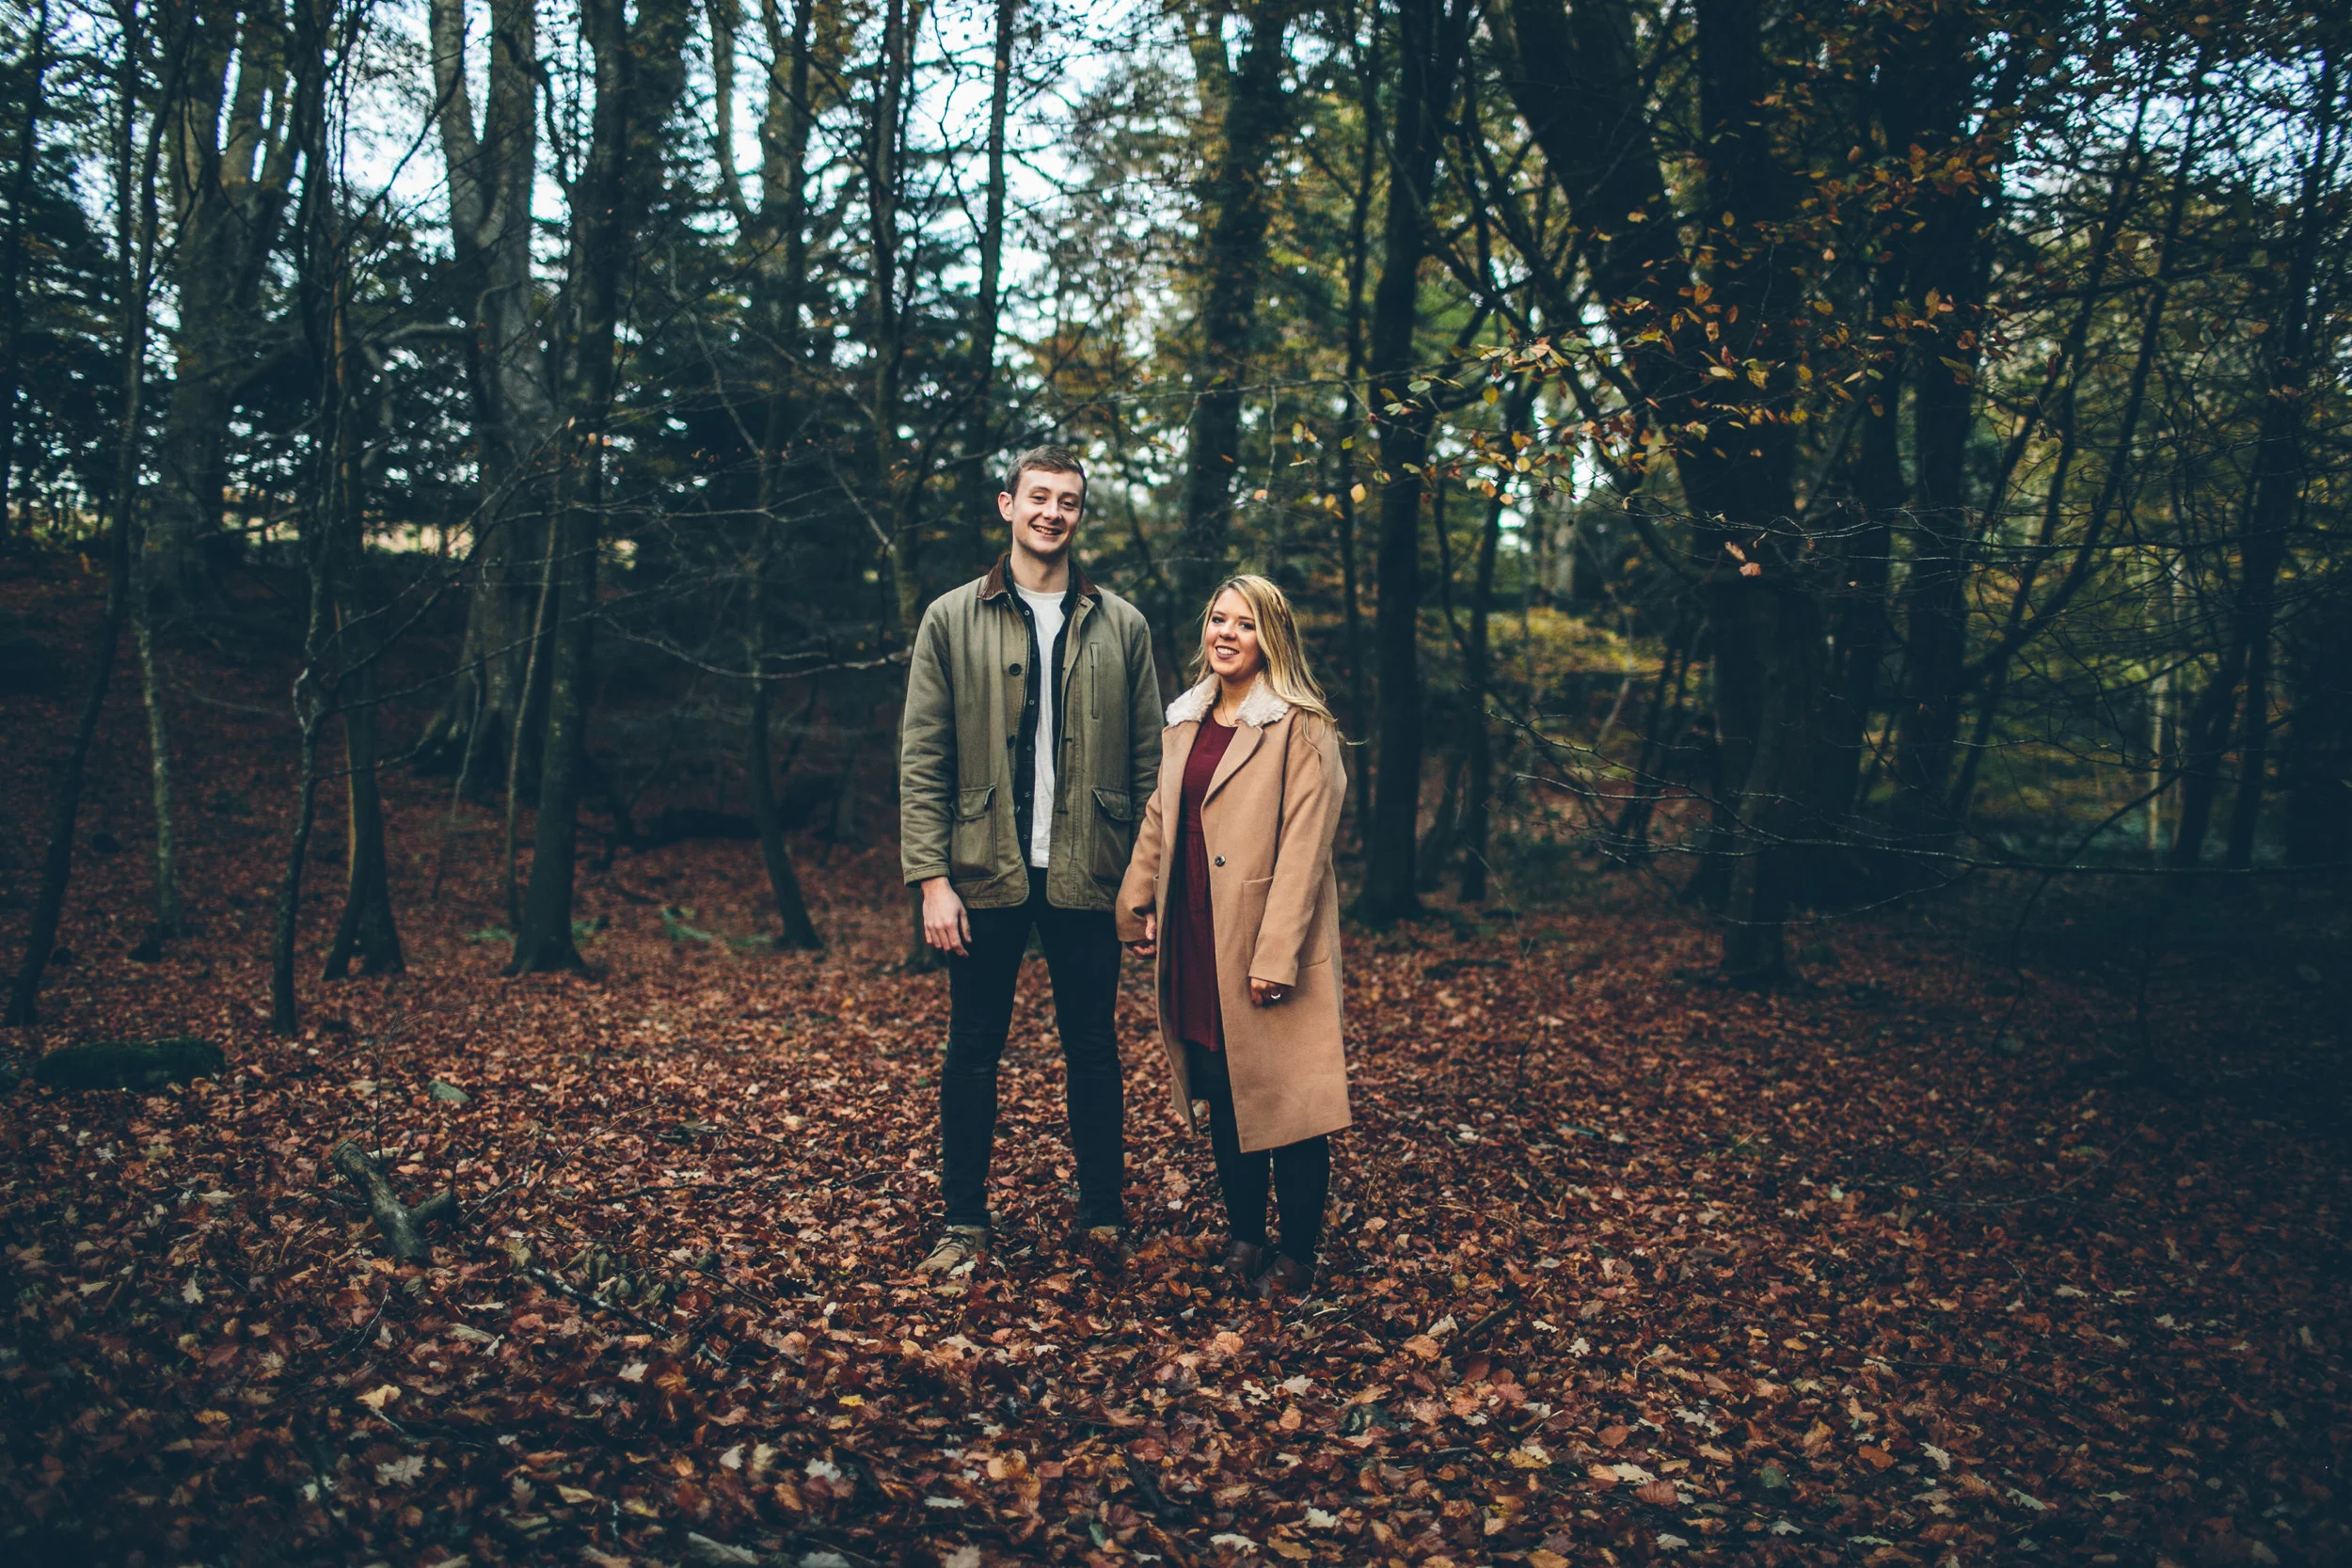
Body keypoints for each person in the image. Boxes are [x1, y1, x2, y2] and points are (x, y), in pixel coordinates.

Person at [898, 445, 1163, 1275]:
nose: (1054, 512)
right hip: (984, 867)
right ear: (1007, 505)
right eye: (1039, 497)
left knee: (1093, 1046)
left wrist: (1148, 881)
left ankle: (1103, 1217)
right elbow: (922, 754)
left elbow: (1154, 761)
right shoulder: (950, 616)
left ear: (1081, 515)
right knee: (973, 1044)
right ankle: (964, 1222)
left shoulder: (1122, 624)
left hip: (1091, 866)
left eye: (1069, 501)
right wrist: (931, 878)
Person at [1116, 575, 1350, 1303]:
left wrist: (1275, 955)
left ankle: (1299, 1254)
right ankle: (1246, 1232)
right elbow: (1161, 813)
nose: (1225, 633)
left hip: (1265, 941)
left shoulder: (1303, 727)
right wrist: (1137, 896)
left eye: (1243, 625)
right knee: (1224, 1089)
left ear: (1269, 638)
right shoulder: (1186, 717)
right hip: (1196, 933)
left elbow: (1306, 850)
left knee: (1292, 1104)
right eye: (1217, 619)